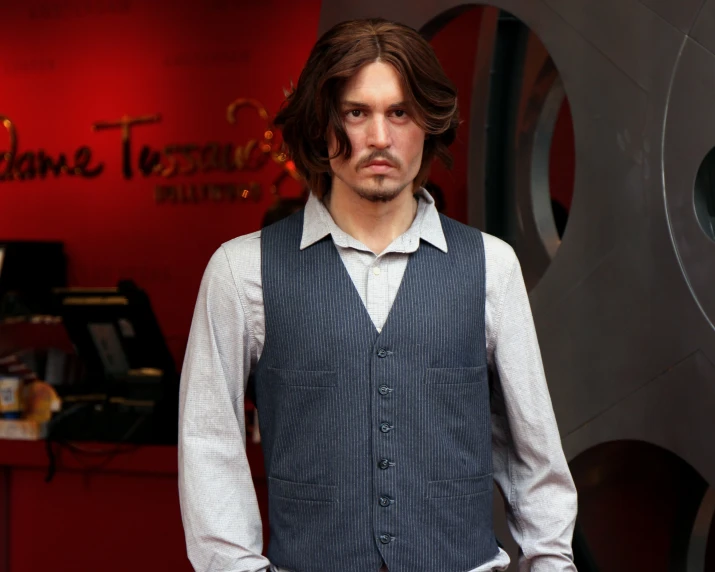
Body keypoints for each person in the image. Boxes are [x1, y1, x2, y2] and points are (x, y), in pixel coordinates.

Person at [179, 18, 577, 572]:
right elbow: (209, 445)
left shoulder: (491, 266)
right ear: (322, 124)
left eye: (400, 112)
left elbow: (533, 454)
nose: (379, 138)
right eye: (356, 112)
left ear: (428, 123)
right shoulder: (241, 272)